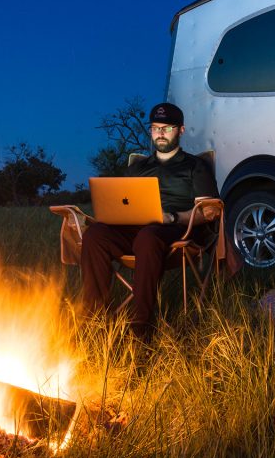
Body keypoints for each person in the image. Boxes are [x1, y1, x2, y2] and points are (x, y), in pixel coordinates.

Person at [80, 102, 219, 344]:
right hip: (137, 228)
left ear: (181, 131)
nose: (160, 134)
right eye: (155, 128)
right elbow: (121, 203)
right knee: (95, 235)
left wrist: (173, 217)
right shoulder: (138, 167)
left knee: (148, 236)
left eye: (167, 128)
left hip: (177, 232)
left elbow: (208, 212)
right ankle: (95, 323)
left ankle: (140, 329)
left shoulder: (196, 166)